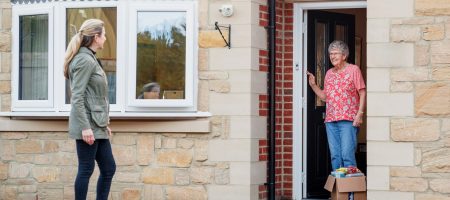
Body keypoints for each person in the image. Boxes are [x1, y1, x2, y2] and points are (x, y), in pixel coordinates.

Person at [63, 19, 116, 200]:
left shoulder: (91, 58)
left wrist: (103, 123)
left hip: (96, 124)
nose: (106, 38)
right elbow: (77, 97)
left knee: (109, 168)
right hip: (87, 126)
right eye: (104, 35)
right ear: (96, 37)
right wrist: (86, 127)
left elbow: (95, 96)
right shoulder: (84, 60)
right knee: (86, 169)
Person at [306, 40, 366, 171]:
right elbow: (324, 97)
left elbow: (362, 92)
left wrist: (359, 115)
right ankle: (339, 190)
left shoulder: (353, 70)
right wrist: (313, 85)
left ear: (344, 55)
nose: (332, 56)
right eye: (330, 54)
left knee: (347, 155)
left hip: (348, 120)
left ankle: (350, 190)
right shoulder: (329, 73)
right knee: (335, 156)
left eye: (335, 53)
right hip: (331, 120)